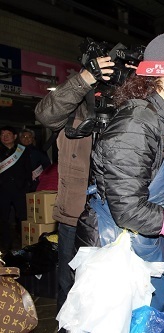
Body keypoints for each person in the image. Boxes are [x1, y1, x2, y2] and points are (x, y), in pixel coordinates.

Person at [74, 33, 164, 312]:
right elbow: (128, 209)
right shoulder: (136, 123)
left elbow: (156, 188)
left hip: (146, 241)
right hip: (117, 249)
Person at [35, 55, 118, 319]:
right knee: (69, 284)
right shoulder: (75, 109)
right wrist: (84, 79)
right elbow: (45, 114)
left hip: (119, 213)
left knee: (114, 288)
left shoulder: (128, 107)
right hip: (75, 212)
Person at [0, 126, 32, 251]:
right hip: (3, 190)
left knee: (22, 217)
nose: (5, 136)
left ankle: (25, 243)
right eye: (2, 134)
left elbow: (28, 170)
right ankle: (6, 244)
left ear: (14, 136)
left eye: (8, 134)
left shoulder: (22, 151)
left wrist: (27, 186)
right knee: (3, 218)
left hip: (20, 189)